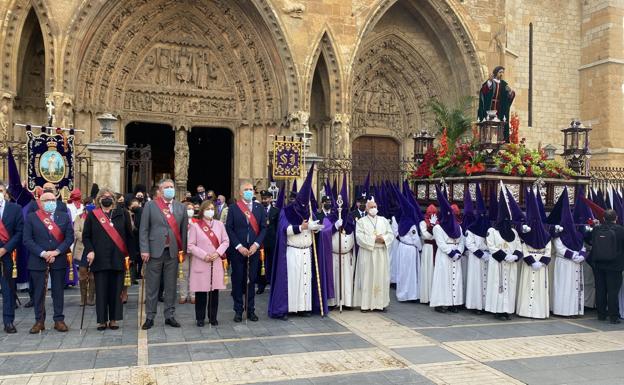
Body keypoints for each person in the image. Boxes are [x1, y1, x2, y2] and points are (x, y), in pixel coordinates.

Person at [268, 167, 331, 319]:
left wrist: (314, 228)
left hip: (307, 251)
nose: (304, 204)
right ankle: (288, 308)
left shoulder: (309, 212)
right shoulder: (287, 212)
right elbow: (285, 230)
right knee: (292, 280)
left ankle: (304, 307)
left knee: (305, 280)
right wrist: (300, 227)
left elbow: (313, 227)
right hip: (293, 251)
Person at [139, 178, 188, 330]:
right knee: (152, 286)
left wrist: (183, 251)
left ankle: (169, 315)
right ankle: (150, 316)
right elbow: (144, 229)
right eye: (166, 187)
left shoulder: (181, 207)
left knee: (171, 286)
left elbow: (183, 232)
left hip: (172, 252)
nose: (170, 189)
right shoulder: (150, 205)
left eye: (172, 187)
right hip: (154, 251)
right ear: (160, 191)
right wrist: (144, 249)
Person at [24, 191, 74, 333]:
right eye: (47, 200)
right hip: (38, 260)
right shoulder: (32, 217)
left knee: (58, 291)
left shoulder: (63, 217)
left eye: (53, 199)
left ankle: (59, 320)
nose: (51, 202)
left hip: (58, 259)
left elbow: (69, 238)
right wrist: (43, 253)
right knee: (39, 292)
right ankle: (39, 321)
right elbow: (27, 240)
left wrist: (57, 252)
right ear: (40, 202)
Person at [83, 188, 133, 330]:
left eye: (109, 196)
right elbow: (86, 236)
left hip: (118, 258)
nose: (106, 198)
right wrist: (90, 250)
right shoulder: (93, 215)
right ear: (98, 199)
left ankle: (114, 319)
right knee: (101, 291)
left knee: (116, 290)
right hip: (99, 258)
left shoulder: (122, 213)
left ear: (114, 199)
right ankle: (102, 320)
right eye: (103, 196)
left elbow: (129, 235)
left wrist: (131, 256)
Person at [225, 181, 267, 322]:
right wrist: (239, 246)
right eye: (247, 190)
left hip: (253, 250)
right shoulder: (234, 208)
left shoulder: (259, 208)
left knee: (251, 280)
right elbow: (229, 228)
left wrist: (256, 244)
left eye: (251, 190)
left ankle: (250, 310)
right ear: (241, 192)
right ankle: (238, 310)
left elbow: (263, 228)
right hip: (238, 251)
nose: (250, 192)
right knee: (238, 280)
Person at [188, 201, 230, 326]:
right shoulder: (196, 226)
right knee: (201, 292)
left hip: (215, 261)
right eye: (207, 209)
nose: (210, 211)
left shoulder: (220, 225)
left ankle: (213, 317)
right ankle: (200, 318)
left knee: (214, 292)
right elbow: (190, 245)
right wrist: (204, 255)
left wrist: (218, 253)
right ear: (202, 210)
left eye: (212, 209)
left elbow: (226, 241)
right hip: (202, 261)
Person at [485, 189, 523, 321]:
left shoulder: (513, 231)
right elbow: (491, 246)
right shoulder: (492, 231)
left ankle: (507, 310)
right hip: (498, 263)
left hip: (511, 264)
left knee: (510, 286)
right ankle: (497, 310)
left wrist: (515, 256)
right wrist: (504, 256)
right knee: (498, 285)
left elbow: (518, 246)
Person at [550, 188, 588, 317]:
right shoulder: (558, 235)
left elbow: (582, 246)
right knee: (564, 287)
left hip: (576, 264)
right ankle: (563, 310)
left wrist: (582, 255)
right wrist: (573, 255)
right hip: (564, 264)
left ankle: (575, 310)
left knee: (575, 288)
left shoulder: (577, 234)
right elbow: (559, 249)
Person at [353, 197, 394, 312]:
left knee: (381, 277)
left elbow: (391, 234)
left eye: (375, 207)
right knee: (367, 277)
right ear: (366, 209)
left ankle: (380, 304)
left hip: (381, 253)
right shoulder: (361, 222)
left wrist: (384, 239)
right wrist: (374, 239)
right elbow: (359, 237)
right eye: (371, 207)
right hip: (368, 253)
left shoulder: (383, 220)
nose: (373, 209)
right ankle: (365, 304)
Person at [517, 189, 551, 319]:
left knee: (539, 288)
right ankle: (525, 310)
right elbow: (523, 249)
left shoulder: (546, 236)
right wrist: (532, 261)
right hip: (530, 264)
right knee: (527, 286)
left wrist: (541, 262)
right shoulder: (526, 236)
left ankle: (538, 312)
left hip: (540, 266)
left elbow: (548, 250)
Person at [430, 187, 465, 313]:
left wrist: (459, 251)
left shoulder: (458, 228)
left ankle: (453, 303)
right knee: (443, 279)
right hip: (445, 256)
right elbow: (440, 243)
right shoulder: (438, 228)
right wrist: (451, 252)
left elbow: (462, 240)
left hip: (456, 255)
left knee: (456, 279)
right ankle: (440, 303)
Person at [590, 209, 624, 324]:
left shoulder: (596, 229)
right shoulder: (621, 230)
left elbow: (591, 242)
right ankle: (614, 316)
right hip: (615, 266)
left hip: (599, 265)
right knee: (613, 291)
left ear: (603, 218)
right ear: (616, 218)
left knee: (600, 290)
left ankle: (601, 314)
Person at [327, 177, 356, 308]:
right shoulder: (330, 218)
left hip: (346, 255)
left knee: (347, 279)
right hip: (334, 255)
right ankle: (334, 302)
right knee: (335, 278)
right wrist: (334, 227)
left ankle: (347, 302)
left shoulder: (350, 219)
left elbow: (353, 234)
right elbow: (324, 233)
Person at [0, 181, 24, 333]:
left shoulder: (15, 209)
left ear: (5, 192)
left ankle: (8, 321)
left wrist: (5, 249)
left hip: (6, 255)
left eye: (0, 189)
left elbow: (19, 232)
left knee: (8, 289)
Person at [464, 184, 490, 314]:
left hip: (487, 257)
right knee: (476, 281)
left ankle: (486, 305)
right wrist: (480, 254)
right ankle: (476, 305)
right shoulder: (471, 229)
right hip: (476, 258)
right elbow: (469, 244)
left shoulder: (489, 229)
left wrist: (489, 252)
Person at [394, 189, 422, 302]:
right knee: (410, 273)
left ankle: (401, 293)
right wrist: (420, 249)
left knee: (402, 272)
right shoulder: (412, 225)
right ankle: (410, 295)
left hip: (401, 247)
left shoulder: (401, 221)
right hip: (410, 249)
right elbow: (416, 239)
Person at [477, 66, 516, 141]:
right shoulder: (491, 81)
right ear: (496, 73)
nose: (501, 74)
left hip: (500, 108)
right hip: (490, 106)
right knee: (488, 123)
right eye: (500, 72)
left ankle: (500, 139)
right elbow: (484, 91)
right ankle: (487, 139)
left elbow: (509, 96)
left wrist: (511, 93)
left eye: (502, 73)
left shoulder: (504, 84)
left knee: (500, 123)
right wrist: (489, 82)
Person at [256, 190, 280, 295]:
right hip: (261, 242)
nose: (264, 200)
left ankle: (273, 284)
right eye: (263, 198)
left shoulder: (276, 211)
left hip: (272, 241)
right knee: (260, 264)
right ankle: (261, 285)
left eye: (266, 198)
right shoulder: (257, 209)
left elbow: (278, 227)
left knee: (273, 263)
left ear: (270, 199)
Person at [74, 198, 95, 306]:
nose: (90, 206)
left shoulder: (97, 216)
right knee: (82, 273)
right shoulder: (79, 217)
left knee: (92, 275)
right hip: (82, 248)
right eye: (88, 204)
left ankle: (91, 298)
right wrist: (87, 238)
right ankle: (83, 298)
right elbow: (77, 231)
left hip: (94, 248)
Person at [178, 201, 197, 304]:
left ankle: (193, 294)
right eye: (188, 209)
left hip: (194, 251)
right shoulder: (180, 222)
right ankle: (183, 295)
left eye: (192, 209)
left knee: (193, 273)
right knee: (183, 273)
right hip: (184, 251)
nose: (191, 211)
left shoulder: (196, 221)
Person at [419, 204, 437, 304]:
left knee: (434, 272)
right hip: (428, 249)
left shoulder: (438, 222)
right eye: (430, 213)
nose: (432, 215)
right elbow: (426, 236)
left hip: (436, 248)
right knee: (428, 271)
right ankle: (426, 296)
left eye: (434, 213)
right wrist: (431, 227)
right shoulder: (422, 223)